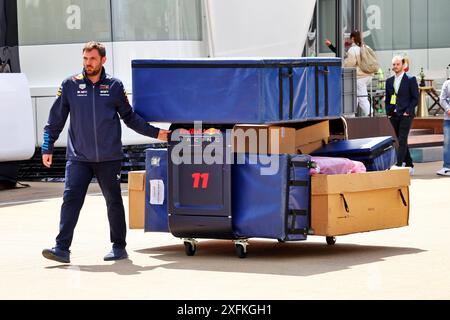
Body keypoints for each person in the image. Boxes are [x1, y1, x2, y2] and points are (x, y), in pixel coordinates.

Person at [41, 41, 170, 263]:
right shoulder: (70, 85)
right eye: (85, 59)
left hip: (109, 158)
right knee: (70, 200)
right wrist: (47, 146)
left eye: (92, 59)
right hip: (79, 157)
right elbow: (56, 119)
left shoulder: (114, 86)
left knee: (113, 201)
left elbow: (129, 118)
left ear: (103, 60)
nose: (88, 63)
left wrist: (157, 133)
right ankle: (61, 248)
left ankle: (119, 247)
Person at [385, 56, 419, 176]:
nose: (395, 67)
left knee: (402, 139)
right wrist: (388, 112)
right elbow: (388, 99)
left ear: (403, 65)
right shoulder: (389, 81)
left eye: (397, 64)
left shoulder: (411, 79)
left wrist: (408, 111)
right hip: (393, 115)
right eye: (393, 64)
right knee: (400, 139)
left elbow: (415, 98)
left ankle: (399, 164)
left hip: (406, 114)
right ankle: (409, 164)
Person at [343, 30, 374, 116]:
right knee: (355, 96)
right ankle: (351, 114)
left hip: (360, 77)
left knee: (362, 97)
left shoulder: (353, 49)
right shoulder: (366, 47)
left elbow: (350, 64)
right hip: (368, 75)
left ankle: (370, 113)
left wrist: (344, 63)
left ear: (352, 38)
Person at [436, 79, 450, 176]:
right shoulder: (447, 83)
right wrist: (448, 109)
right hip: (448, 118)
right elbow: (442, 99)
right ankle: (447, 167)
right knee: (447, 142)